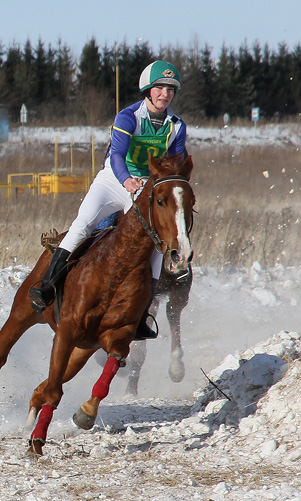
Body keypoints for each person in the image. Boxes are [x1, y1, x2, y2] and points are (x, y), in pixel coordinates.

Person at [28, 60, 188, 340]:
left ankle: (141, 314)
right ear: (148, 90)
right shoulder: (128, 117)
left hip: (143, 190)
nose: (165, 93)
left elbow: (174, 165)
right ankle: (47, 286)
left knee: (155, 247)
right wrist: (126, 179)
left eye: (170, 89)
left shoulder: (176, 126)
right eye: (160, 87)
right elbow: (116, 155)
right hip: (114, 180)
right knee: (82, 226)